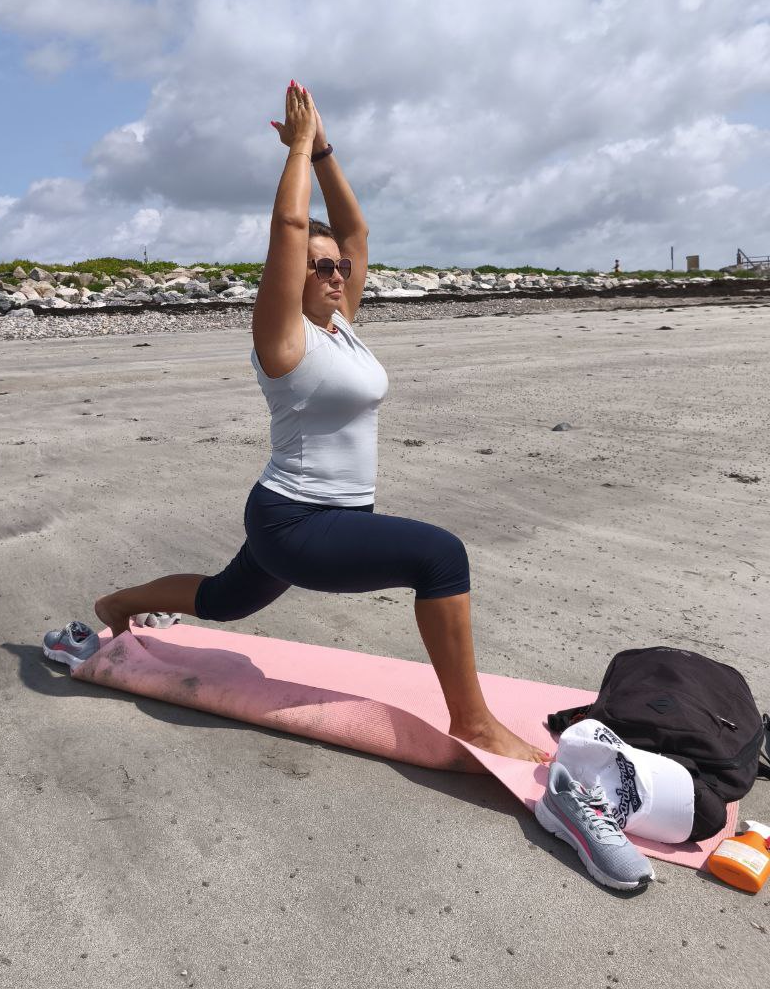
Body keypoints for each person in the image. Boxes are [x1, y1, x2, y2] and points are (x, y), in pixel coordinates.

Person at [95, 81, 547, 763]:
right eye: (320, 267)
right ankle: (473, 721)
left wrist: (327, 151)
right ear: (292, 279)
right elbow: (289, 230)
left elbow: (355, 231)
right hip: (297, 523)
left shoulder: (339, 330)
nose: (337, 273)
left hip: (313, 516)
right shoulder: (285, 342)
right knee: (441, 556)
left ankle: (115, 607)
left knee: (223, 601)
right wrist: (299, 150)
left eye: (340, 267)